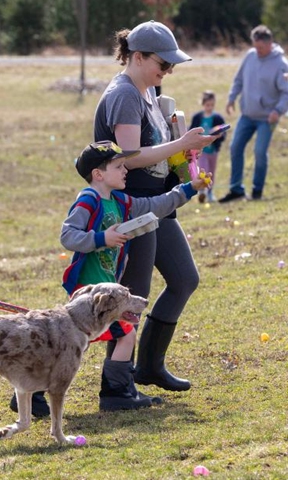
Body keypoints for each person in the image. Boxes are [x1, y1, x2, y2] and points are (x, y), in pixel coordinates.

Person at [93, 20, 217, 396]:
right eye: (162, 63)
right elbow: (128, 158)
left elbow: (155, 153)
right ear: (138, 56)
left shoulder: (148, 91)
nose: (168, 70)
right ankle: (116, 385)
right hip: (133, 205)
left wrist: (184, 153)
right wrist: (180, 142)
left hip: (156, 203)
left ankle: (148, 367)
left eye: (171, 65)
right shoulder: (125, 94)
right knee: (132, 294)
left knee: (184, 279)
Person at [62, 141, 208, 411]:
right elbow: (68, 235)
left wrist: (189, 188)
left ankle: (112, 390)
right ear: (98, 174)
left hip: (106, 286)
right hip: (88, 289)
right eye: (119, 166)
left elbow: (157, 204)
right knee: (112, 335)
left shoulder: (121, 201)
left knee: (83, 341)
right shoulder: (88, 200)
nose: (125, 170)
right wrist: (102, 238)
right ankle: (115, 391)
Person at [218, 25, 288, 202]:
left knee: (259, 152)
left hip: (267, 118)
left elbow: (286, 92)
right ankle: (236, 190)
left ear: (270, 43)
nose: (257, 51)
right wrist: (232, 98)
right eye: (255, 46)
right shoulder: (250, 56)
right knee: (235, 147)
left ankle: (257, 191)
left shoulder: (281, 64)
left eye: (261, 48)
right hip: (247, 115)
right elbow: (239, 79)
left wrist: (278, 111)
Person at [190, 91, 226, 202]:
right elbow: (191, 131)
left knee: (212, 172)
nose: (209, 107)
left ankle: (210, 193)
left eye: (212, 105)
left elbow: (223, 132)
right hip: (202, 150)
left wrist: (220, 135)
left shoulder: (218, 118)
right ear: (203, 104)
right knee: (203, 170)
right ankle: (202, 191)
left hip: (213, 150)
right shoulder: (197, 117)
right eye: (207, 105)